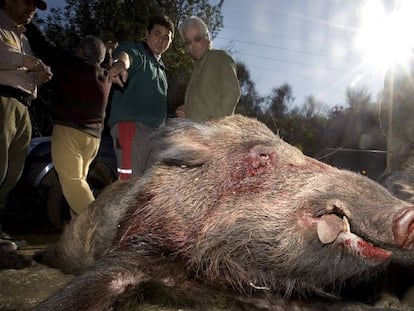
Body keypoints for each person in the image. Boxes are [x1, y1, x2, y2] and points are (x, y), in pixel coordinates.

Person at [24, 22, 127, 217]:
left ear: (80, 52)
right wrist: (111, 52)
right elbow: (105, 63)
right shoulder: (104, 75)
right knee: (79, 184)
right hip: (92, 141)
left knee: (72, 182)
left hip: (69, 132)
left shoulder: (71, 65)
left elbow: (44, 46)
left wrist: (29, 25)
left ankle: (97, 229)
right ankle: (80, 241)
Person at [0, 0, 52, 249]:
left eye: (35, 5)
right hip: (3, 101)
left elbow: (22, 67)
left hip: (23, 106)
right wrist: (26, 61)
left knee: (12, 173)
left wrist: (37, 76)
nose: (32, 9)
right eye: (27, 2)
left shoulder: (24, 37)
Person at [108, 15, 174, 180]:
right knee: (129, 187)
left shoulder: (161, 69)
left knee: (146, 190)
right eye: (157, 34)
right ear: (147, 34)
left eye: (167, 37)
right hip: (132, 128)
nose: (161, 40)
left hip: (156, 136)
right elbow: (126, 56)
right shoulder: (137, 51)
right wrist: (121, 64)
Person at [175, 16, 241, 122]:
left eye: (197, 39)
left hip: (212, 134)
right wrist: (186, 110)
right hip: (191, 131)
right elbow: (204, 103)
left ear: (207, 37)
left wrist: (217, 119)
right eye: (188, 42)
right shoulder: (196, 68)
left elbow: (233, 92)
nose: (193, 46)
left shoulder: (221, 58)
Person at [380, 52, 414, 174]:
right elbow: (385, 108)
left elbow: (384, 109)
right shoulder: (398, 66)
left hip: (398, 145)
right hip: (400, 147)